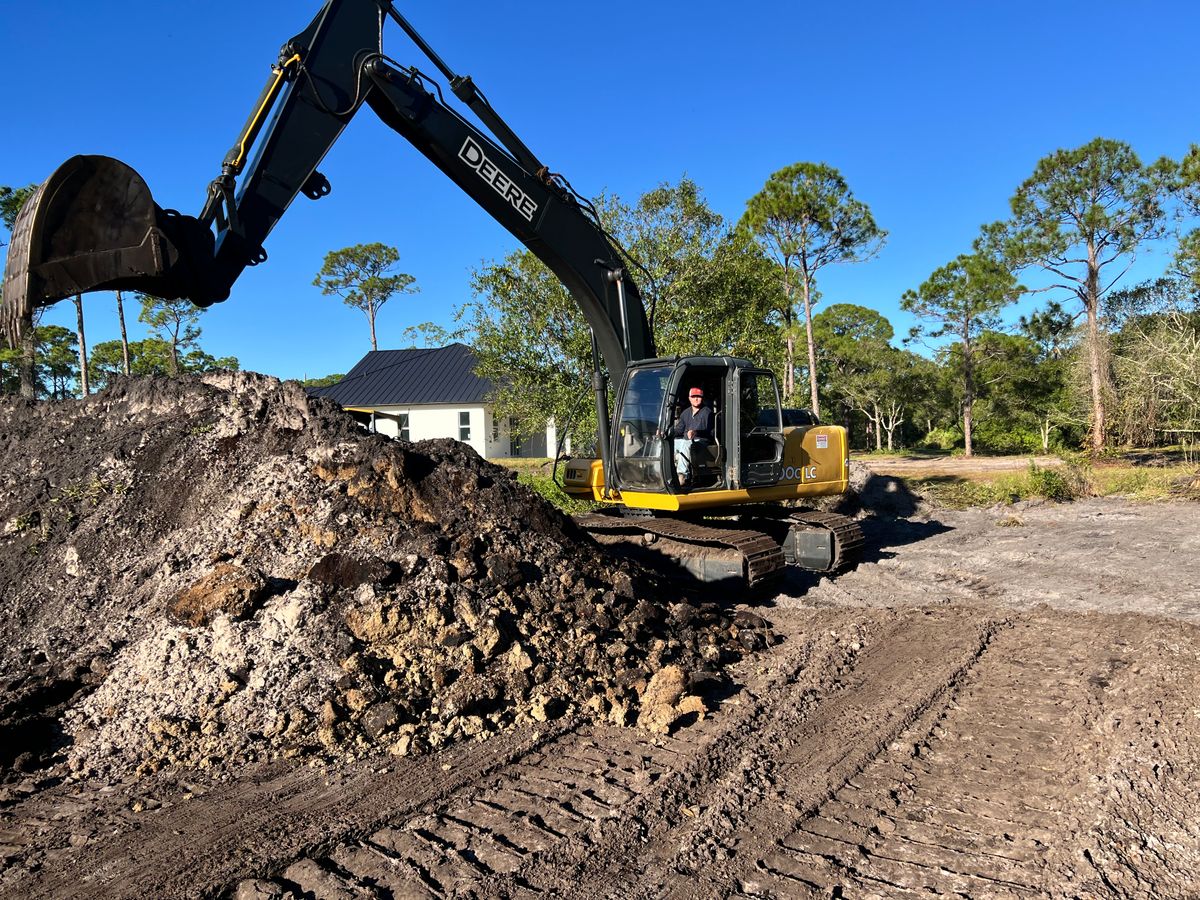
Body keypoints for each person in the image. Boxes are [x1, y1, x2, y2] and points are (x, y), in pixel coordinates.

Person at [673, 386, 713, 489]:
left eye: (698, 397)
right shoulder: (685, 413)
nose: (696, 399)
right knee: (671, 443)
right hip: (687, 439)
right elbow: (679, 430)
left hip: (702, 441)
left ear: (702, 398)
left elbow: (710, 432)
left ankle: (682, 475)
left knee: (686, 443)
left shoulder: (707, 412)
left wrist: (696, 432)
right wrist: (666, 433)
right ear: (689, 398)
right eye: (693, 396)